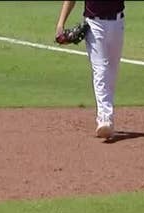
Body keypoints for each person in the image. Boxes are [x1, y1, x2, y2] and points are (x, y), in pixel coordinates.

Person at [56, 0, 126, 138]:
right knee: (101, 69)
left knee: (112, 70)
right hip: (95, 25)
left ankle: (107, 116)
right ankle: (104, 118)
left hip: (118, 22)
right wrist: (60, 24)